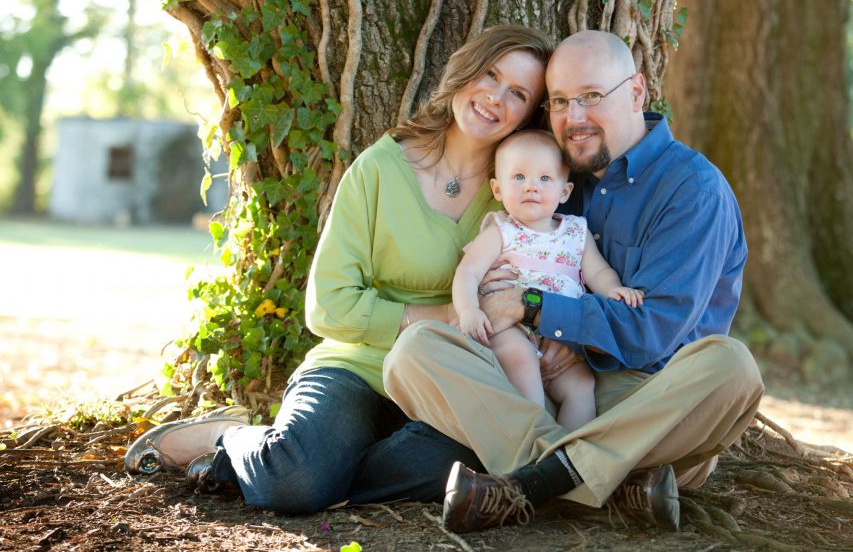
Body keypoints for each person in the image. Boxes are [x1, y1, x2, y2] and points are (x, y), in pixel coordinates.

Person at [123, 25, 554, 514]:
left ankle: (297, 459)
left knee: (464, 471)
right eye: (491, 74)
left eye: (517, 93)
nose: (495, 97)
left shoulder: (525, 189)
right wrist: (451, 315)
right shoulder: (380, 169)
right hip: (355, 370)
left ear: (528, 115)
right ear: (465, 71)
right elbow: (328, 306)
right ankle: (235, 436)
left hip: (451, 384)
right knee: (296, 485)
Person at [383, 30, 764, 533]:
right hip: (538, 383)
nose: (574, 117)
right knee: (412, 355)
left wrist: (537, 309)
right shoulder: (557, 173)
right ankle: (606, 486)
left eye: (591, 96)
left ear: (636, 92)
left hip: (644, 403)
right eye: (561, 101)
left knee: (731, 367)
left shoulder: (693, 191)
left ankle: (530, 485)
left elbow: (651, 333)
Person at [452, 129, 643, 431]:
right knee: (519, 358)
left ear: (564, 192)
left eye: (544, 179)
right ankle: (534, 433)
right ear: (497, 189)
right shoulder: (501, 231)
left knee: (581, 386)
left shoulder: (575, 231)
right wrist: (468, 311)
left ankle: (563, 454)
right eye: (518, 177)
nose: (531, 187)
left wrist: (615, 290)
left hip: (562, 334)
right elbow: (468, 272)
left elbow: (598, 273)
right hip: (514, 329)